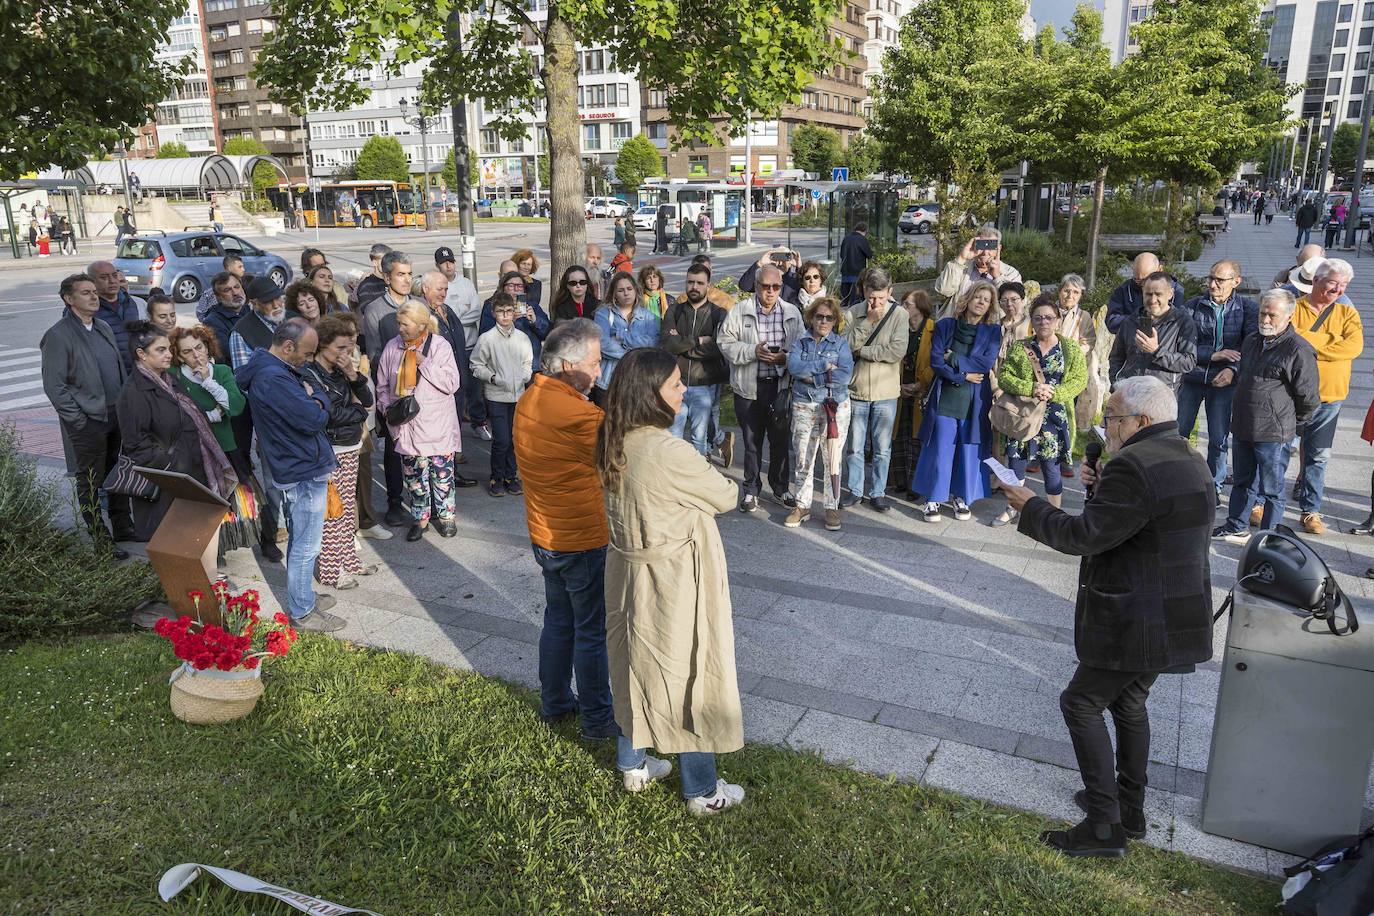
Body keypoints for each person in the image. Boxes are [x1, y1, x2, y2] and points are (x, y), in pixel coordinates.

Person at [1003, 375, 1215, 859]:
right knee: (1128, 703)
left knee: (1080, 703)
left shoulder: (1135, 465)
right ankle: (1130, 809)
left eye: (1113, 417)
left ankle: (1104, 826)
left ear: (1141, 421)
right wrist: (1100, 489)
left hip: (1136, 618)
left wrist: (1029, 504)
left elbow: (1084, 537)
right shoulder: (1187, 456)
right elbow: (1141, 527)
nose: (1105, 425)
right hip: (1175, 614)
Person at [597, 347, 746, 815]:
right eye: (676, 384)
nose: (685, 391)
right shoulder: (668, 450)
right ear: (649, 394)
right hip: (671, 578)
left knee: (630, 663)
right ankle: (702, 791)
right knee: (689, 672)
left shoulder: (611, 436)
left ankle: (633, 764)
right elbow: (726, 495)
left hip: (626, 570)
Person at [513, 319, 618, 741]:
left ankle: (555, 700)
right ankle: (597, 720)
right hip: (581, 539)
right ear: (567, 365)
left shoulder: (531, 396)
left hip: (546, 534)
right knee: (590, 630)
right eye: (594, 363)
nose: (598, 372)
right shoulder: (577, 413)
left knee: (559, 620)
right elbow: (621, 456)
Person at [236, 319, 343, 631]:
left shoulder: (269, 368)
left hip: (297, 462)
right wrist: (319, 396)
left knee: (302, 536)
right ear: (287, 347)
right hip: (302, 467)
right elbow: (313, 419)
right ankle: (302, 611)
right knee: (306, 544)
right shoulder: (273, 378)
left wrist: (312, 394)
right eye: (307, 354)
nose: (309, 361)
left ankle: (303, 594)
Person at [1212, 289, 1320, 543]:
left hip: (1274, 432)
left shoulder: (1299, 350)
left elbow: (1309, 397)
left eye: (1272, 315)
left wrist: (1294, 426)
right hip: (1243, 425)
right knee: (1241, 482)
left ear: (1289, 316)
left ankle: (1269, 537)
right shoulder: (1251, 340)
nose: (1266, 320)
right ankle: (1236, 524)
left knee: (1272, 490)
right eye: (1263, 313)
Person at [40, 273, 134, 557]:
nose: (94, 296)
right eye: (85, 293)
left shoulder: (103, 326)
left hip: (114, 413)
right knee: (90, 479)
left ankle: (123, 526)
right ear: (69, 299)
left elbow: (118, 368)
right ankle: (100, 537)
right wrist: (78, 419)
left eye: (94, 292)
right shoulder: (58, 335)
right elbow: (54, 385)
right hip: (88, 420)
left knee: (118, 473)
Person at [117, 321, 236, 542]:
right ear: (141, 354)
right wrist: (172, 467)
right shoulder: (134, 392)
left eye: (167, 349)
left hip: (191, 474)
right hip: (169, 484)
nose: (168, 355)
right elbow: (136, 445)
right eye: (160, 350)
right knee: (176, 545)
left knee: (196, 540)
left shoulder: (169, 379)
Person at [991, 297, 1089, 527]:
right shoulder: (1020, 347)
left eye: (1048, 317)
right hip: (1024, 415)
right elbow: (1005, 377)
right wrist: (1032, 388)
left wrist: (1054, 393)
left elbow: (1079, 379)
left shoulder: (1070, 348)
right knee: (1016, 464)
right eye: (1038, 318)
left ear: (1057, 320)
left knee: (1051, 467)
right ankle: (1012, 507)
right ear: (1031, 322)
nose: (1043, 322)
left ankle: (1054, 514)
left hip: (1053, 418)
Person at [911, 281, 1003, 523]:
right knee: (940, 447)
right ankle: (933, 499)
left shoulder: (993, 332)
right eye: (978, 297)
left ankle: (961, 496)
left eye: (987, 299)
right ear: (968, 299)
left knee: (968, 448)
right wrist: (962, 375)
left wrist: (953, 357)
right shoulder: (945, 325)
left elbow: (985, 364)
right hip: (946, 395)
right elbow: (935, 361)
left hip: (975, 400)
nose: (981, 302)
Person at [374, 301, 464, 540]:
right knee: (414, 479)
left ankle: (446, 517)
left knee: (442, 475)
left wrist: (423, 361)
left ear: (421, 324)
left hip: (437, 424)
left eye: (405, 324)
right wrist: (385, 407)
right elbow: (382, 384)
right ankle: (420, 519)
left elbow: (452, 383)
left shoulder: (439, 346)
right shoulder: (392, 347)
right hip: (407, 426)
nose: (400, 328)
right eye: (398, 324)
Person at [718, 264, 804, 512]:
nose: (770, 291)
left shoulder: (791, 312)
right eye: (765, 286)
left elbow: (801, 348)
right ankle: (751, 490)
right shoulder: (740, 310)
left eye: (776, 286)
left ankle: (780, 488)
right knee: (752, 442)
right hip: (748, 387)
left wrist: (785, 358)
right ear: (756, 286)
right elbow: (724, 342)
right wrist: (751, 351)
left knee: (780, 441)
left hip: (779, 387)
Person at [169, 325, 259, 558]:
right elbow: (176, 415)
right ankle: (212, 554)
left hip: (226, 449)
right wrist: (210, 416)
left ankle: (258, 543)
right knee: (204, 504)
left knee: (239, 502)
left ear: (207, 346)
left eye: (199, 347)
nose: (196, 354)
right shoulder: (174, 376)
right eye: (187, 351)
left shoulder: (221, 371)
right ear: (178, 356)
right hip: (195, 452)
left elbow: (236, 406)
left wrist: (209, 382)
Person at [1288, 258, 1364, 534]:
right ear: (1316, 280)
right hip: (1293, 395)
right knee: (1282, 450)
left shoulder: (1348, 313)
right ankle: (1262, 501)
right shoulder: (1294, 309)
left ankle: (1311, 511)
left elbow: (1353, 348)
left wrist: (1312, 346)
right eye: (1334, 283)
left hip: (1331, 397)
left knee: (1318, 457)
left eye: (1344, 285)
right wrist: (1332, 342)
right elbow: (1290, 340)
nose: (1339, 290)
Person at [301, 315, 377, 586]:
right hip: (330, 449)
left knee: (345, 509)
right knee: (333, 511)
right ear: (323, 345)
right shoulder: (311, 374)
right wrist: (358, 411)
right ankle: (331, 571)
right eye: (340, 348)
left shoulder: (340, 372)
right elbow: (331, 414)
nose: (346, 354)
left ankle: (350, 561)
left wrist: (353, 375)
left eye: (349, 348)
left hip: (350, 444)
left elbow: (367, 400)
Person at [1176, 260, 1257, 497]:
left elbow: (1250, 346)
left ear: (1236, 282)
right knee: (1180, 431)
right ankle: (1179, 478)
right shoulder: (1192, 307)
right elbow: (1183, 345)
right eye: (1210, 278)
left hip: (1224, 380)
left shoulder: (1246, 310)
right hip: (1193, 376)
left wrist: (1233, 369)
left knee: (1218, 436)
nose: (1213, 284)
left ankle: (1213, 485)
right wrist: (1213, 354)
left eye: (1220, 280)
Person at [839, 267, 910, 513]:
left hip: (886, 392)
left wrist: (864, 351)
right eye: (871, 297)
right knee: (855, 447)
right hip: (857, 390)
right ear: (864, 291)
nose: (876, 302)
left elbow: (896, 352)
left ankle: (877, 492)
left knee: (882, 448)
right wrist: (868, 323)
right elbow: (845, 347)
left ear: (890, 292)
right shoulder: (853, 313)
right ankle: (855, 490)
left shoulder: (899, 315)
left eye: (881, 297)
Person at [784, 297, 854, 531]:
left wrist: (811, 377)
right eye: (819, 316)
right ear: (811, 317)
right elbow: (793, 367)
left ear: (835, 321)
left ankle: (831, 506)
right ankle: (802, 505)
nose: (823, 321)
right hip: (804, 405)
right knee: (803, 456)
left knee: (832, 456)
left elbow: (845, 375)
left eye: (829, 318)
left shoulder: (840, 344)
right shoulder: (800, 342)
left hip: (835, 407)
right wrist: (824, 369)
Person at [661, 262, 729, 455]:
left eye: (700, 283)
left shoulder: (718, 314)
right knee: (674, 436)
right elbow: (669, 344)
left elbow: (716, 348)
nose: (694, 287)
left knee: (699, 439)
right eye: (690, 282)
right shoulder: (674, 310)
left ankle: (698, 481)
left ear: (708, 285)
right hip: (676, 384)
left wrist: (682, 345)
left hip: (704, 385)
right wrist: (697, 340)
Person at [471, 293, 534, 498]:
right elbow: (476, 364)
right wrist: (492, 377)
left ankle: (510, 475)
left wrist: (525, 375)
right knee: (501, 439)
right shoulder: (487, 339)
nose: (505, 316)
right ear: (494, 313)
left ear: (514, 312)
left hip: (518, 395)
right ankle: (496, 477)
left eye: (508, 311)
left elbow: (527, 361)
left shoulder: (522, 338)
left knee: (514, 439)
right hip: (497, 395)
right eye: (500, 311)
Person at [1108, 271, 1197, 394]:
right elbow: (1116, 357)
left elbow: (1188, 362)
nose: (1153, 299)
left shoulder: (1183, 322)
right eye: (1148, 294)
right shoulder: (1130, 321)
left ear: (1170, 294)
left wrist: (1156, 351)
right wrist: (1117, 383)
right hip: (1131, 393)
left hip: (1162, 397)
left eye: (1158, 294)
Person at [891, 289, 934, 496]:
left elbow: (936, 360)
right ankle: (900, 481)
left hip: (922, 390)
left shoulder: (933, 329)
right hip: (899, 388)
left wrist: (920, 384)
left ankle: (915, 485)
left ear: (921, 307)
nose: (903, 307)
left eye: (908, 304)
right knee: (900, 435)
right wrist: (898, 385)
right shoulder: (899, 328)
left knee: (918, 437)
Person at [593, 272, 659, 405]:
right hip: (608, 382)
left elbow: (652, 344)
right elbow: (603, 344)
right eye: (621, 290)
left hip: (639, 382)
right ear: (614, 294)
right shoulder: (603, 314)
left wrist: (621, 336)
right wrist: (635, 354)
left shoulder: (648, 317)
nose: (626, 293)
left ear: (635, 290)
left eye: (629, 289)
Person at [934, 226, 1023, 309]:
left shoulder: (1011, 273)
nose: (985, 252)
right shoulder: (961, 267)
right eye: (982, 245)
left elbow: (1014, 306)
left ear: (999, 248)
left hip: (993, 324)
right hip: (957, 322)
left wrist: (998, 277)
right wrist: (961, 258)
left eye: (991, 246)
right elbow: (944, 291)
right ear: (974, 245)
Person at [1104, 254, 1187, 334]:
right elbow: (1112, 322)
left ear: (1160, 270)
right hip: (1131, 342)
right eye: (1137, 280)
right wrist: (1141, 320)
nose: (1143, 285)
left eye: (1147, 279)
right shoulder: (1124, 290)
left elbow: (1177, 323)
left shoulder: (1176, 291)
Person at [361, 250, 416, 362]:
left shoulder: (420, 304)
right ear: (387, 278)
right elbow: (374, 354)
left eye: (409, 274)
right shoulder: (374, 310)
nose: (407, 280)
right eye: (400, 274)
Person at [88, 261, 140, 372]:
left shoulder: (129, 301)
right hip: (108, 374)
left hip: (135, 373)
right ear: (92, 281)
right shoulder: (88, 308)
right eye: (104, 277)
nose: (112, 281)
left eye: (114, 275)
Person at [228, 276, 287, 371]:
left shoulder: (293, 317)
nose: (276, 305)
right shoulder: (240, 334)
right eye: (268, 301)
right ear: (254, 303)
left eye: (277, 298)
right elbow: (243, 377)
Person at [201, 272, 246, 365]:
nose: (235, 293)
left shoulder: (252, 310)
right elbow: (233, 353)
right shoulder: (212, 322)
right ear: (218, 297)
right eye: (227, 290)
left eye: (237, 287)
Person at [197, 255, 251, 320]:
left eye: (237, 287)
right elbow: (201, 313)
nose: (243, 270)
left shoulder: (248, 310)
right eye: (239, 267)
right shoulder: (211, 294)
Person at [838, 222, 873, 308]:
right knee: (854, 301)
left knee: (844, 299)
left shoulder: (846, 238)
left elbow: (841, 254)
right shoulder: (862, 239)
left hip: (845, 271)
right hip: (857, 272)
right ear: (865, 231)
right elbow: (869, 255)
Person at [353, 243, 392, 312]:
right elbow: (369, 312)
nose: (388, 264)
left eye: (390, 260)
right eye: (384, 260)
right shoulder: (366, 286)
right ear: (374, 263)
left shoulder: (394, 281)